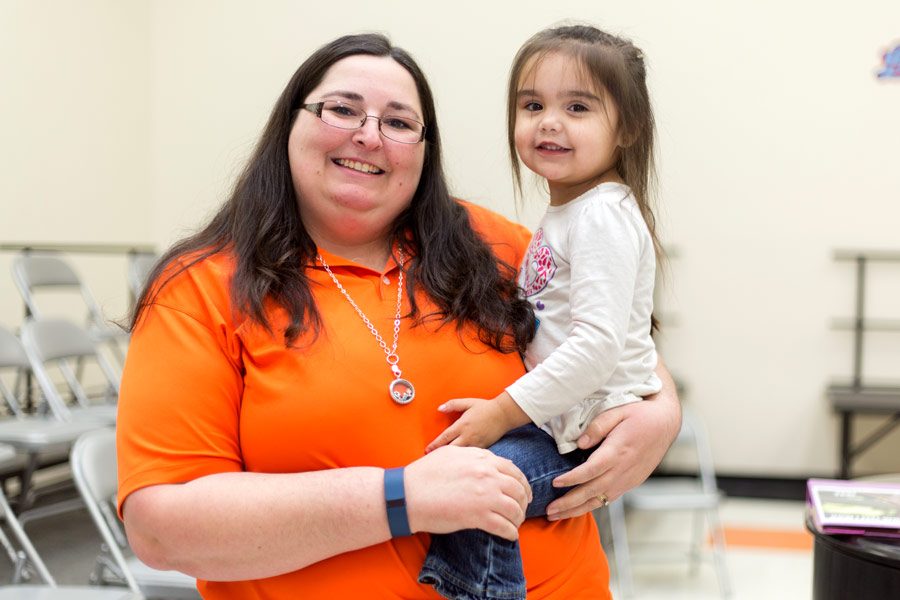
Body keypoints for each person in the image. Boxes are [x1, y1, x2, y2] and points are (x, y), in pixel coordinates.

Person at [116, 32, 682, 600]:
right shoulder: (199, 288)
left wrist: (661, 417)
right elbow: (161, 528)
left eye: (399, 122)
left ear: (425, 146)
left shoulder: (497, 248)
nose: (368, 135)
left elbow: (616, 345)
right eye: (341, 109)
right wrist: (402, 499)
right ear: (289, 124)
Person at [420, 25, 664, 600]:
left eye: (576, 106)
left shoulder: (601, 216)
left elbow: (598, 346)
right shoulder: (567, 214)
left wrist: (502, 413)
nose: (549, 121)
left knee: (476, 490)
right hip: (559, 422)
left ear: (625, 128)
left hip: (580, 436)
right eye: (532, 105)